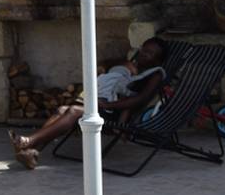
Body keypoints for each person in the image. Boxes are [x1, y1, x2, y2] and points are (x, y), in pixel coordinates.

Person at [9, 37, 169, 169]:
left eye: (150, 53)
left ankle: (28, 142)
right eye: (144, 50)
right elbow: (107, 63)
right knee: (62, 109)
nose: (143, 54)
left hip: (115, 110)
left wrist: (108, 106)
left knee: (72, 111)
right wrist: (103, 68)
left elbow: (140, 100)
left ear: (158, 60)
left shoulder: (155, 75)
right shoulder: (129, 65)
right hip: (101, 103)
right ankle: (32, 152)